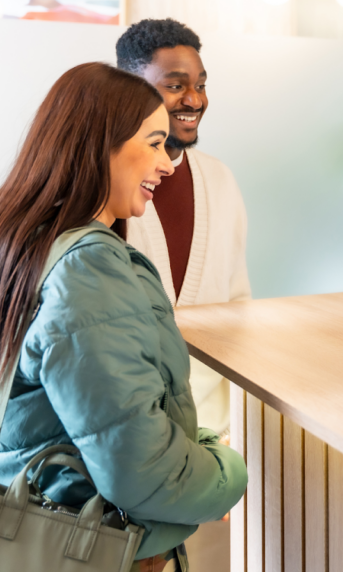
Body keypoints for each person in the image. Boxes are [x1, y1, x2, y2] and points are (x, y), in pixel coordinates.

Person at [0, 62, 247, 572]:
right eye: (154, 143)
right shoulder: (87, 270)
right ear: (102, 145)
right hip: (101, 552)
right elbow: (146, 476)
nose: (167, 164)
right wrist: (228, 465)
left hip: (18, 539)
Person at [116, 18, 250, 437]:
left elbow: (238, 308)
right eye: (175, 85)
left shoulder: (220, 180)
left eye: (201, 84)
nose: (194, 99)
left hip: (214, 432)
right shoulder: (108, 192)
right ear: (128, 88)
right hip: (131, 433)